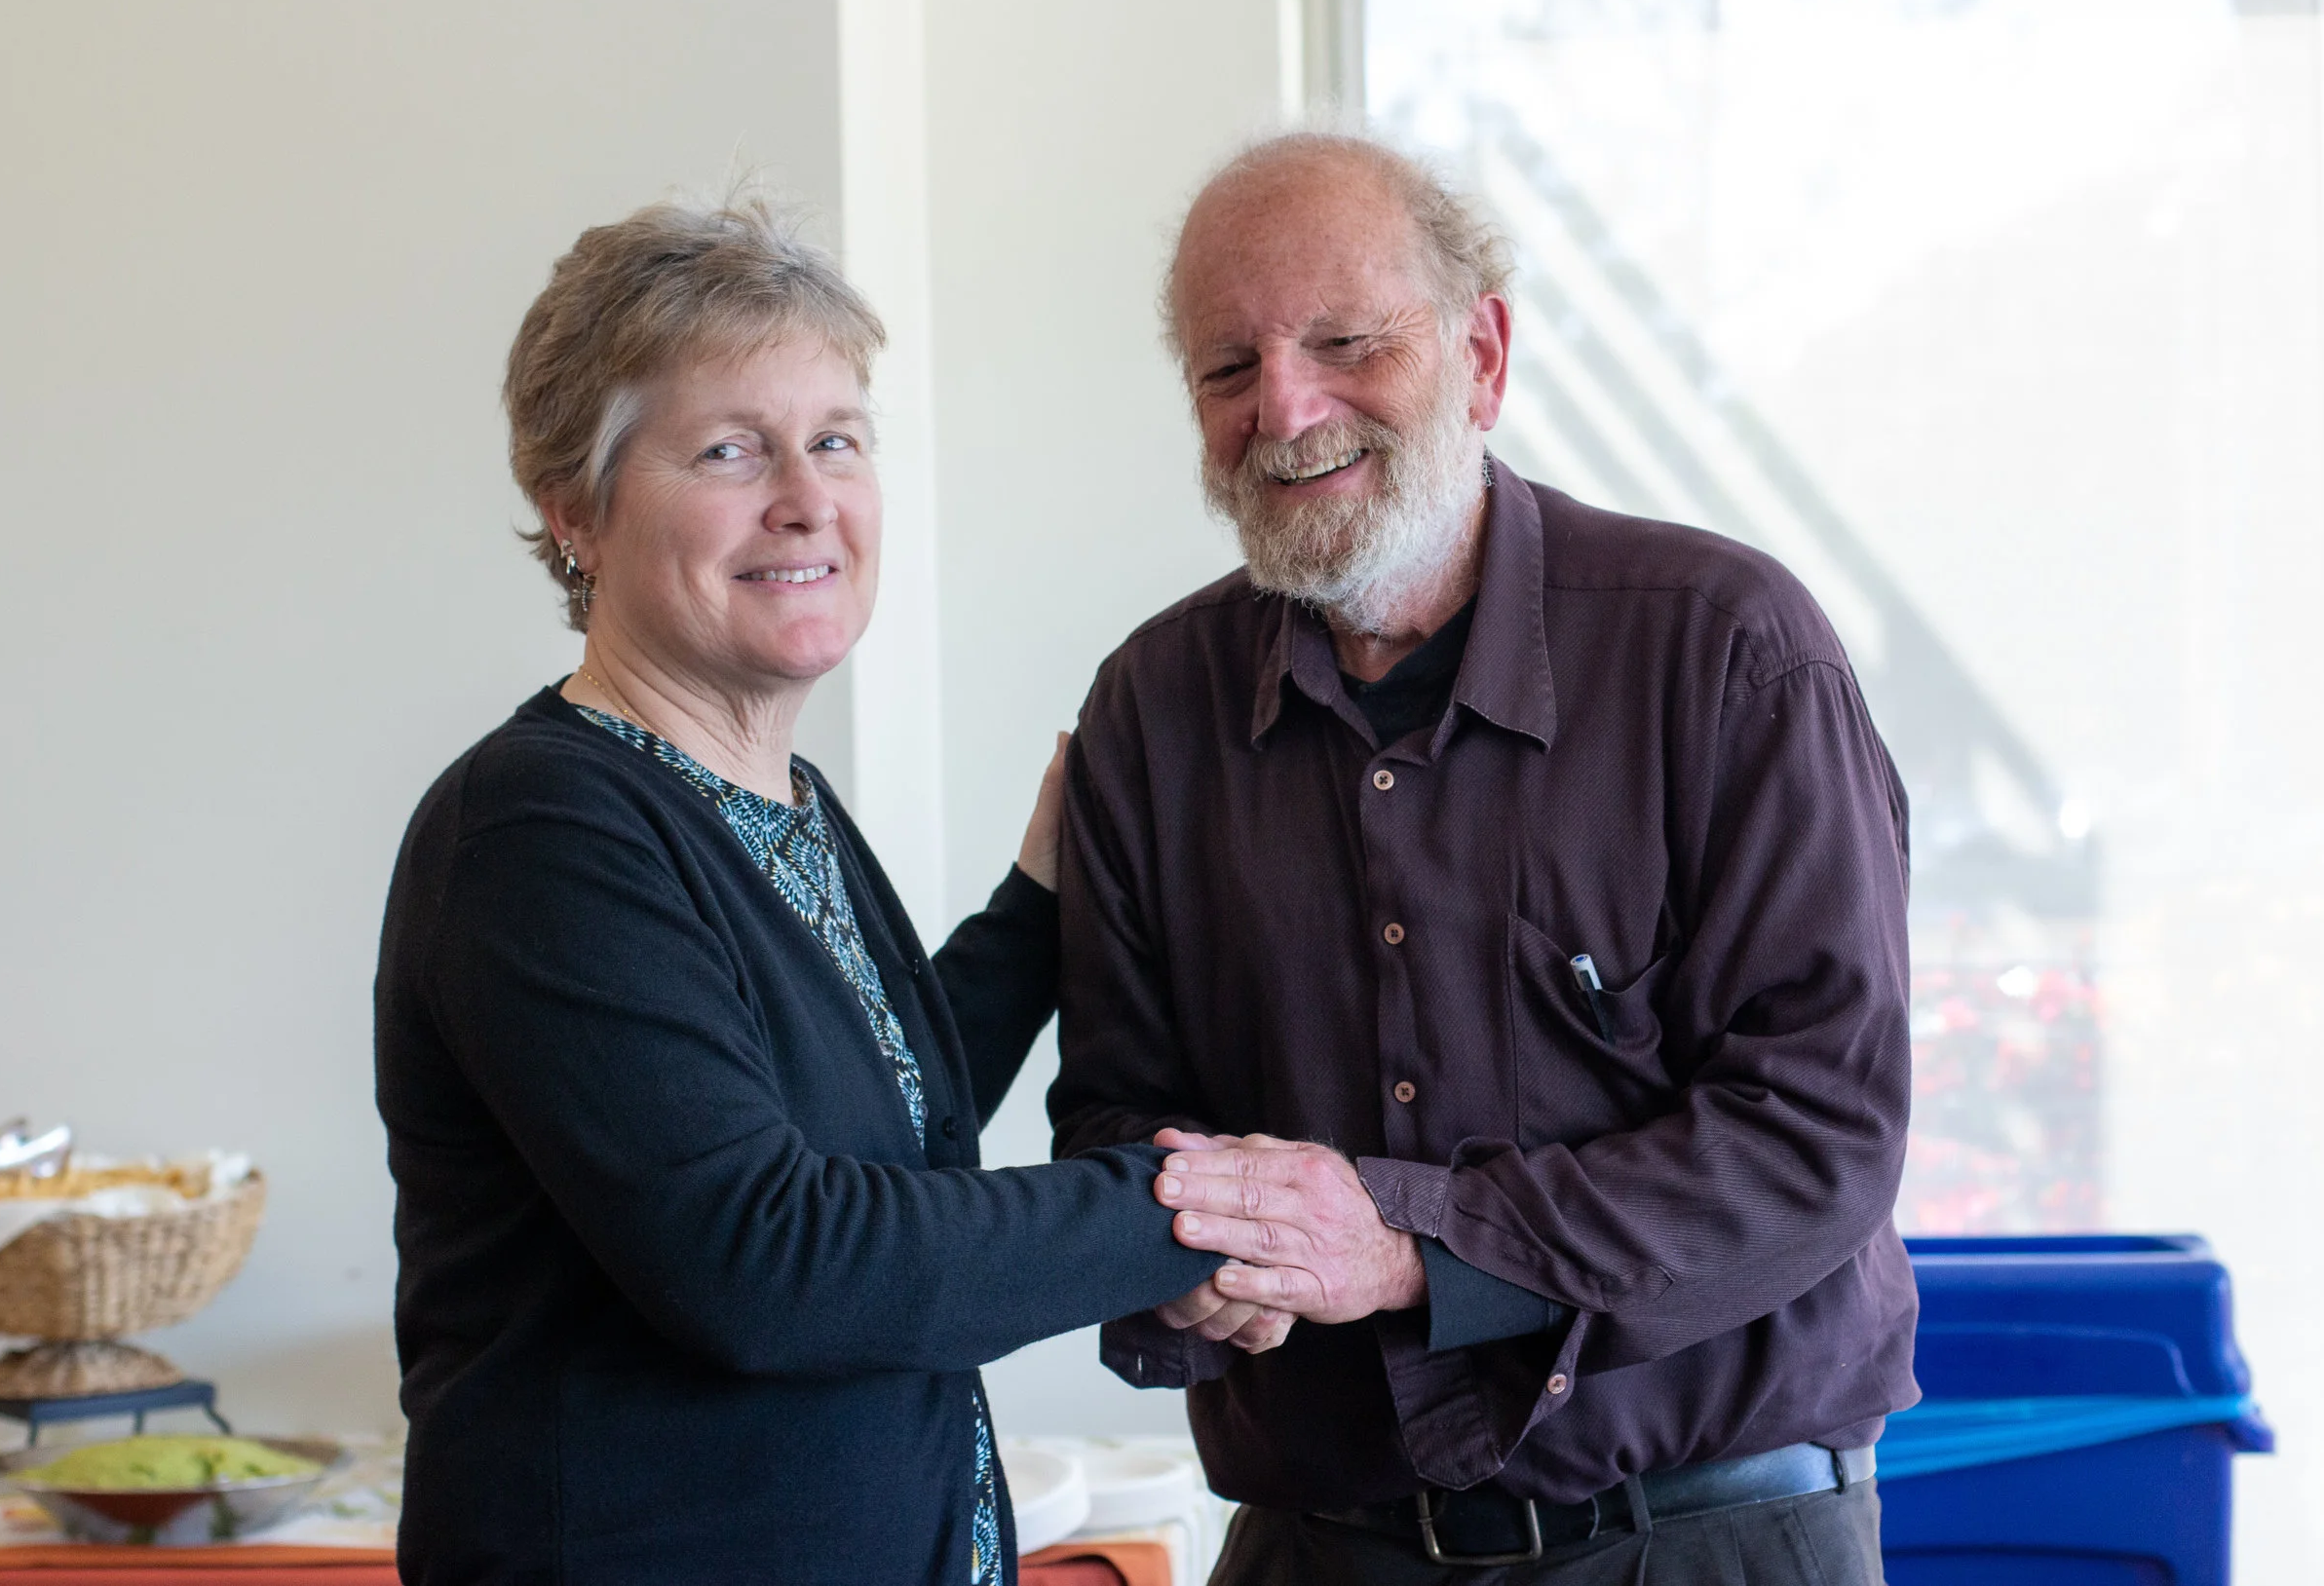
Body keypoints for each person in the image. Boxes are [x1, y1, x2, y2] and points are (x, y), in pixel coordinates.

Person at [1048, 132, 1917, 1583]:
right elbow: (1123, 1120)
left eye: (1344, 341)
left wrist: (1412, 1250)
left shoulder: (1726, 652)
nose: (1286, 407)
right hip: (1319, 1549)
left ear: (1483, 353)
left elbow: (1816, 1133)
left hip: (1711, 1535)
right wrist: (1187, 1254)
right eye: (1226, 369)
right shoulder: (1150, 708)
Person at [373, 195, 1217, 1585]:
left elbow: (882, 1119)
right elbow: (774, 1256)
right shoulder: (540, 827)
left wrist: (1041, 908)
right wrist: (1184, 1209)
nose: (807, 498)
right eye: (729, 450)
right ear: (574, 509)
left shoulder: (779, 806)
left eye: (836, 440)